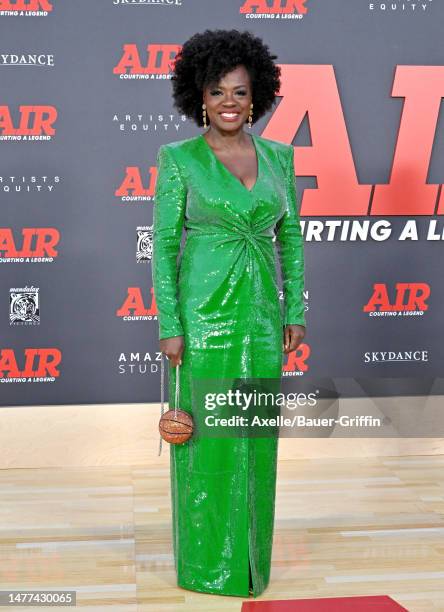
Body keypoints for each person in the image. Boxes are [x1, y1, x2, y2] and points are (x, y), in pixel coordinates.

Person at [152, 28, 306, 598]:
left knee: (255, 439)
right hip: (203, 315)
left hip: (262, 315)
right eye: (218, 92)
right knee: (207, 442)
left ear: (256, 97)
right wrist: (170, 324)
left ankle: (249, 567)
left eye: (240, 93)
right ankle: (204, 566)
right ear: (200, 96)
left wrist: (296, 309)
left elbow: (292, 239)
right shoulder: (178, 160)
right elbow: (164, 246)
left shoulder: (279, 158)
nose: (229, 103)